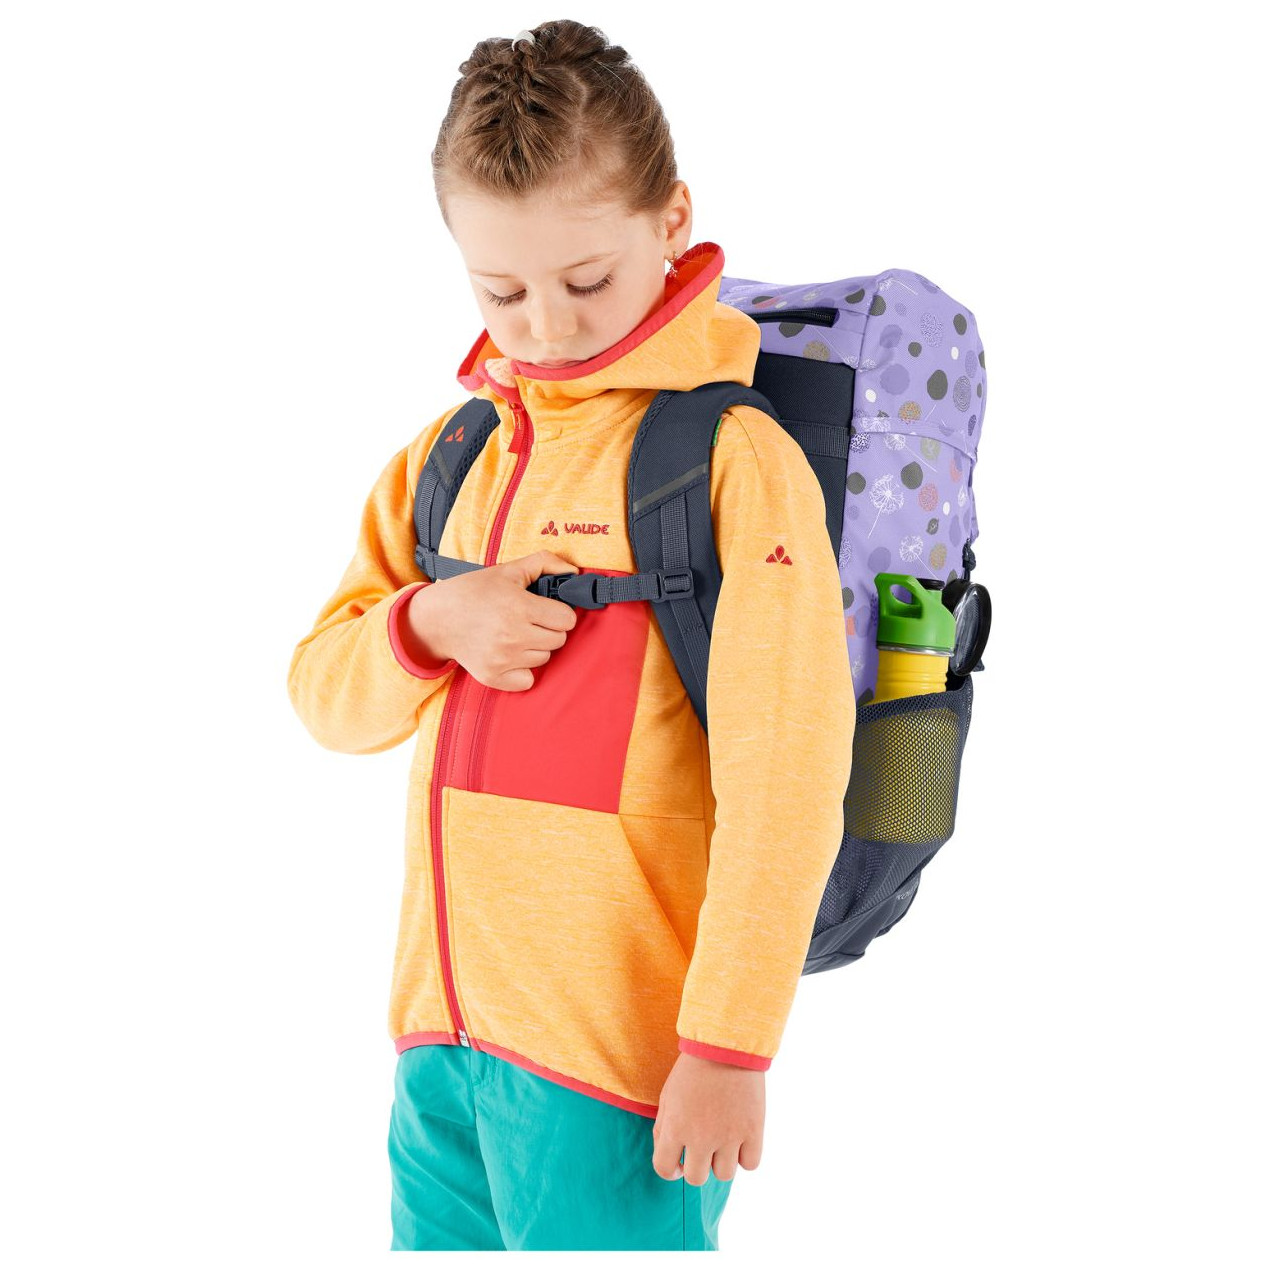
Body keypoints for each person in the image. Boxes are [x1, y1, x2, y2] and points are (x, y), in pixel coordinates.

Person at [287, 19, 854, 1252]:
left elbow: (789, 773)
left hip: (619, 1061)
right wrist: (429, 621)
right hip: (437, 1040)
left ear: (671, 220)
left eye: (586, 281)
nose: (544, 327)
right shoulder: (453, 455)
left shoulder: (730, 461)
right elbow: (323, 694)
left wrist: (729, 1044)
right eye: (500, 292)